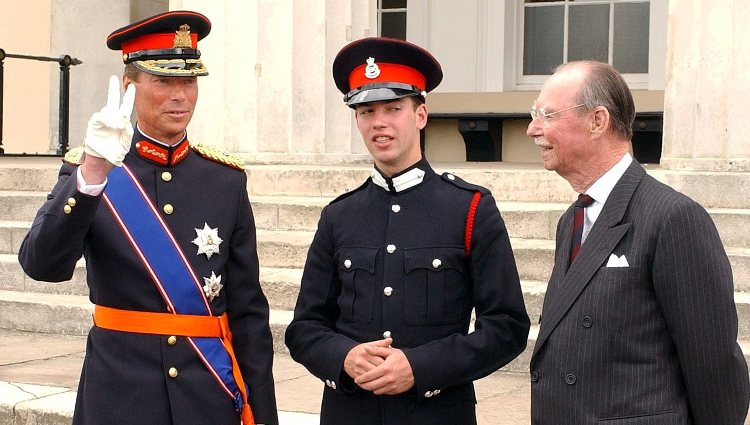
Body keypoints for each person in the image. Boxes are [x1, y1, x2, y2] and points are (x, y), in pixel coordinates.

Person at [18, 11, 278, 425]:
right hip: (121, 396)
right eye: (163, 81)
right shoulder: (91, 172)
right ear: (129, 85)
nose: (180, 96)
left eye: (188, 82)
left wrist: (262, 415)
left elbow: (248, 312)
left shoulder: (225, 180)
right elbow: (41, 265)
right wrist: (92, 173)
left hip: (206, 395)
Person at [284, 37, 530, 425]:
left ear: (421, 115)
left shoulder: (469, 209)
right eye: (366, 111)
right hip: (351, 412)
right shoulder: (340, 215)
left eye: (393, 108)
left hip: (435, 412)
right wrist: (343, 357)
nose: (379, 122)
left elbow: (507, 327)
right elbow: (304, 329)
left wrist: (421, 367)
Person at [527, 60, 750, 424]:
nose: (532, 129)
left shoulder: (673, 218)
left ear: (597, 121)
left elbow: (714, 367)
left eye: (547, 115)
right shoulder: (573, 219)